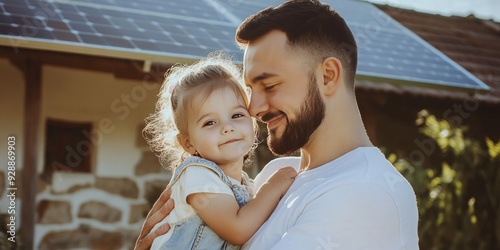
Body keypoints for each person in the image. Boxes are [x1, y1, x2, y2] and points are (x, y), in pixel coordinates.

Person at [136, 0, 419, 249]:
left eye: (269, 85)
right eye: (250, 90)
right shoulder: (277, 173)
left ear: (328, 76)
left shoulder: (366, 193)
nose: (254, 109)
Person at [142, 53, 297, 249]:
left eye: (237, 115)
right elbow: (237, 229)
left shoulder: (244, 185)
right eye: (210, 122)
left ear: (252, 124)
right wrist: (273, 187)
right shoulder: (197, 175)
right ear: (188, 143)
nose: (227, 127)